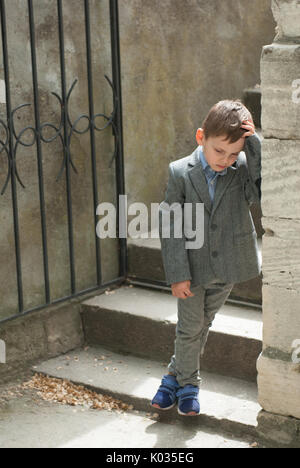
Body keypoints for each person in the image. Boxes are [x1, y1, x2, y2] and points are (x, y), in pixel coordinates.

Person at [151, 100, 262, 416]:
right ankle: (189, 386)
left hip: (228, 266)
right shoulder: (180, 173)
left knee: (203, 323)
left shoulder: (239, 171)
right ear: (201, 136)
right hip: (192, 267)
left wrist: (253, 144)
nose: (225, 160)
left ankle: (172, 377)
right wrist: (177, 273)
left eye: (233, 154)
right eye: (219, 152)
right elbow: (171, 225)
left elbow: (260, 192)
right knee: (190, 328)